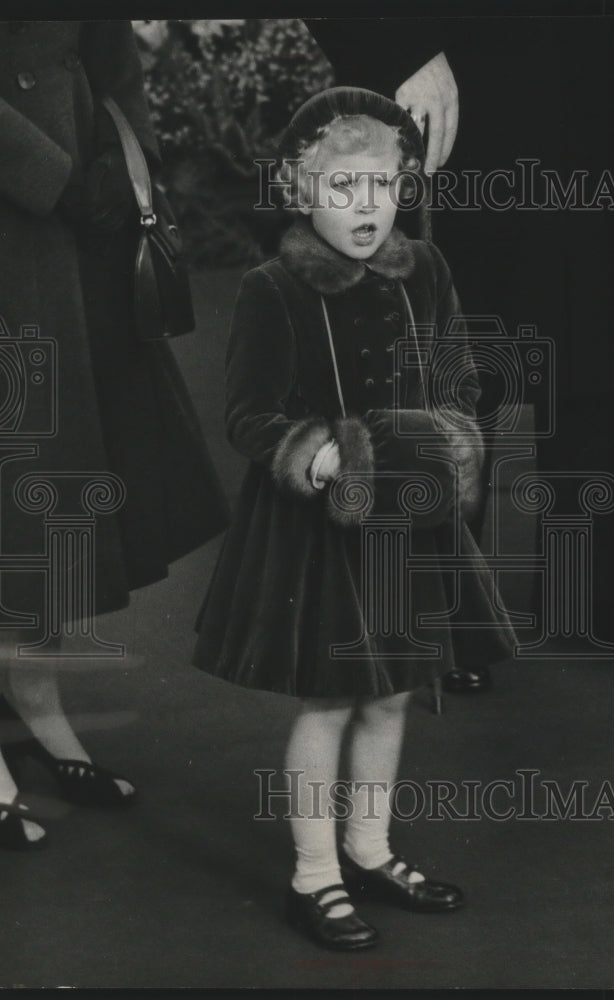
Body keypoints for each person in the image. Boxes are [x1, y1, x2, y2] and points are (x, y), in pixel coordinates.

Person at [193, 87, 515, 950]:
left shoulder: (428, 270)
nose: (365, 206)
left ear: (402, 187)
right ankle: (313, 876)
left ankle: (368, 849)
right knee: (333, 698)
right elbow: (249, 413)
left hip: (409, 522)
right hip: (319, 536)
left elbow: (456, 378)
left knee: (394, 693)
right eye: (342, 189)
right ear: (304, 192)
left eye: (380, 186)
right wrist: (323, 454)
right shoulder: (274, 288)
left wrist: (451, 440)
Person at [306, 16, 614, 693]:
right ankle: (444, 613)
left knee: (606, 332)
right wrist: (403, 46)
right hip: (468, 74)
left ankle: (592, 595)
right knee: (458, 351)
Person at [0, 20, 228, 849]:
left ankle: (38, 704)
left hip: (78, 232)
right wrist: (52, 179)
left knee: (47, 484)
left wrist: (123, 171)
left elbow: (114, 61)